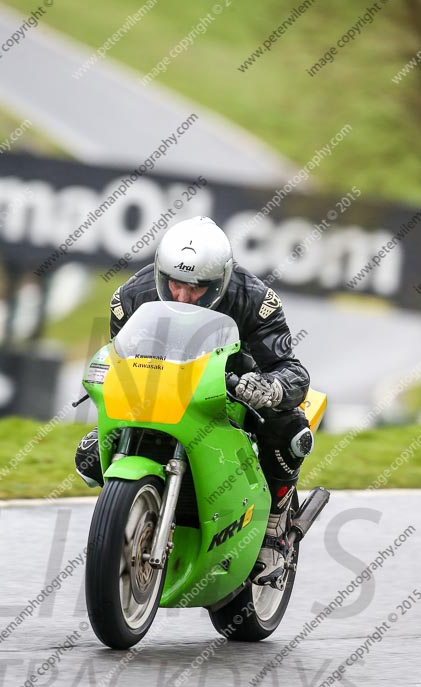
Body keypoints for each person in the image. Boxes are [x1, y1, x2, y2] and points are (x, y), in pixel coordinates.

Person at [75, 216, 313, 586]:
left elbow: (293, 371)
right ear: (161, 274)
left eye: (197, 288)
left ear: (219, 281)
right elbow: (121, 359)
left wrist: (269, 387)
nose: (183, 296)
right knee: (89, 457)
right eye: (175, 284)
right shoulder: (130, 296)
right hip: (162, 393)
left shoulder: (255, 299)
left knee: (290, 429)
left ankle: (274, 526)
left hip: (233, 395)